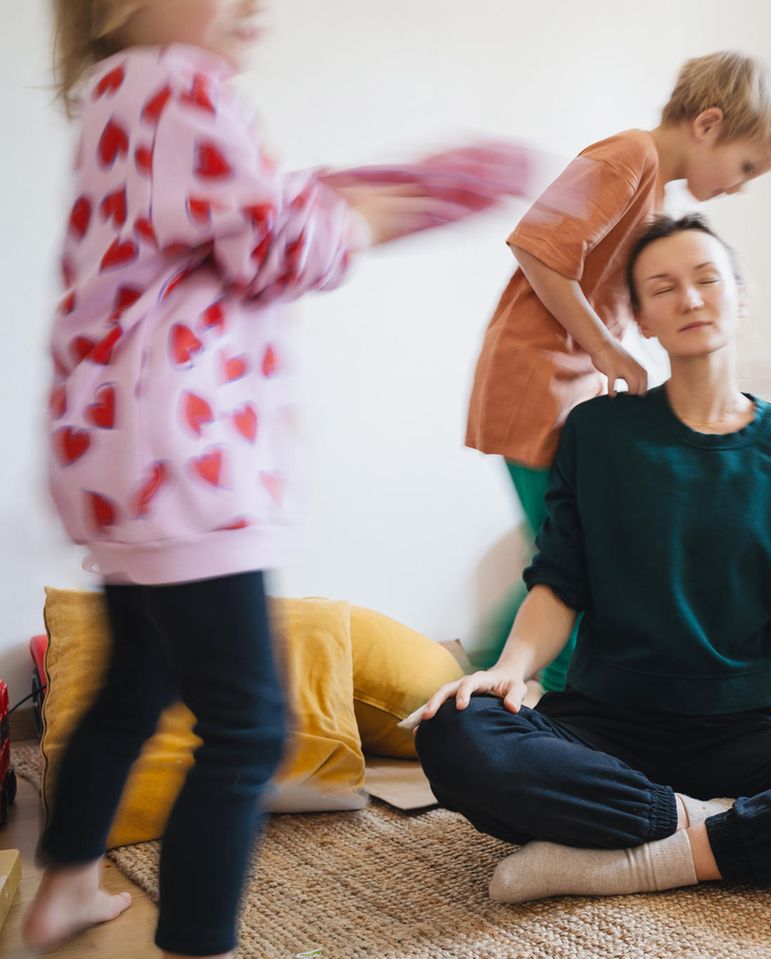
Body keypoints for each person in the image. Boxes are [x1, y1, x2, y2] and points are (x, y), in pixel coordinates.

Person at [27, 0, 515, 953]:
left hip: (121, 460)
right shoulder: (179, 84)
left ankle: (63, 887)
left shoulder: (118, 100)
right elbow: (280, 245)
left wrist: (348, 191)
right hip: (181, 464)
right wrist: (387, 205)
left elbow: (244, 216)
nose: (258, 5)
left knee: (133, 684)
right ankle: (199, 940)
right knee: (248, 725)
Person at [413, 214, 771, 903]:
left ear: (740, 295)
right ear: (641, 317)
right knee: (455, 731)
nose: (691, 298)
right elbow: (558, 583)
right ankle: (705, 828)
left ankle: (649, 853)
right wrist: (507, 670)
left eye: (707, 278)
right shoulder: (598, 432)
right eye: (664, 286)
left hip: (744, 734)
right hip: (600, 726)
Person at [464, 51, 771, 692]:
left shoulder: (655, 195)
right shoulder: (628, 155)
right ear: (708, 125)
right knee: (574, 558)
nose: (741, 185)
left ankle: (492, 669)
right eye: (746, 167)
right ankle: (552, 694)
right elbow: (536, 247)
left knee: (564, 548)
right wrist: (603, 346)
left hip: (570, 384)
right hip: (534, 382)